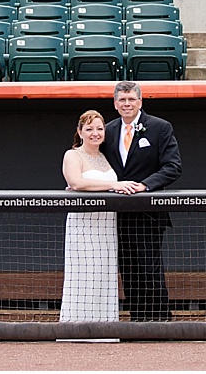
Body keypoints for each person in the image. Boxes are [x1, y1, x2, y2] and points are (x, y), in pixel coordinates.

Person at [101, 81, 182, 322]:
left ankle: (160, 323)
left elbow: (173, 166)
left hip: (148, 213)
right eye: (122, 100)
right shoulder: (108, 130)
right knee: (128, 271)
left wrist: (145, 185)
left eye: (131, 100)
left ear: (140, 102)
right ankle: (137, 322)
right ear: (115, 104)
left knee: (150, 269)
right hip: (116, 214)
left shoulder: (160, 127)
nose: (127, 104)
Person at [59, 110, 140, 336]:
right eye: (89, 129)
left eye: (99, 129)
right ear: (80, 132)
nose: (95, 133)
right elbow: (76, 183)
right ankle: (75, 330)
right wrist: (114, 186)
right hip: (84, 224)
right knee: (82, 275)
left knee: (104, 275)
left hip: (106, 224)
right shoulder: (73, 155)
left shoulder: (106, 156)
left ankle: (104, 329)